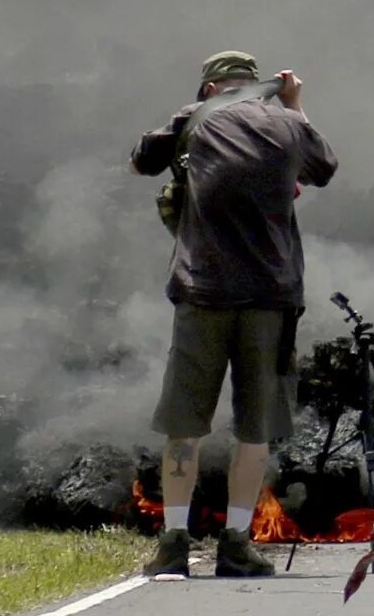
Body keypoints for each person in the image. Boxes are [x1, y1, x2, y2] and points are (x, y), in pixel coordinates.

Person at [131, 49, 338, 579]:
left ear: (210, 89)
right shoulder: (288, 123)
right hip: (271, 298)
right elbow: (325, 168)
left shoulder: (194, 118)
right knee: (255, 429)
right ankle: (236, 544)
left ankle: (173, 545)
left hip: (202, 293)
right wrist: (296, 107)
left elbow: (141, 159)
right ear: (257, 84)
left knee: (185, 425)